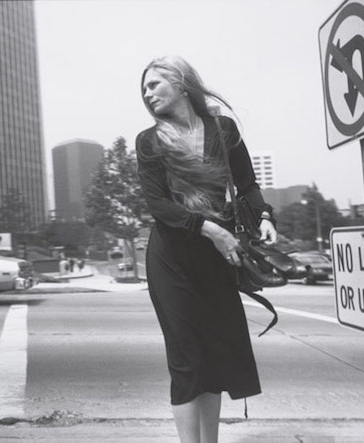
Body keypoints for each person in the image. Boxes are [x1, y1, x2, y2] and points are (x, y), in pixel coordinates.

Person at [136, 56, 277, 443]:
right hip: (172, 258)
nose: (147, 94)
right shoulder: (149, 142)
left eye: (154, 84)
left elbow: (247, 184)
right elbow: (159, 205)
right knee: (186, 361)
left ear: (181, 84)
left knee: (213, 358)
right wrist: (211, 229)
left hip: (217, 258)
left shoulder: (222, 130)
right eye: (144, 89)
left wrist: (265, 216)